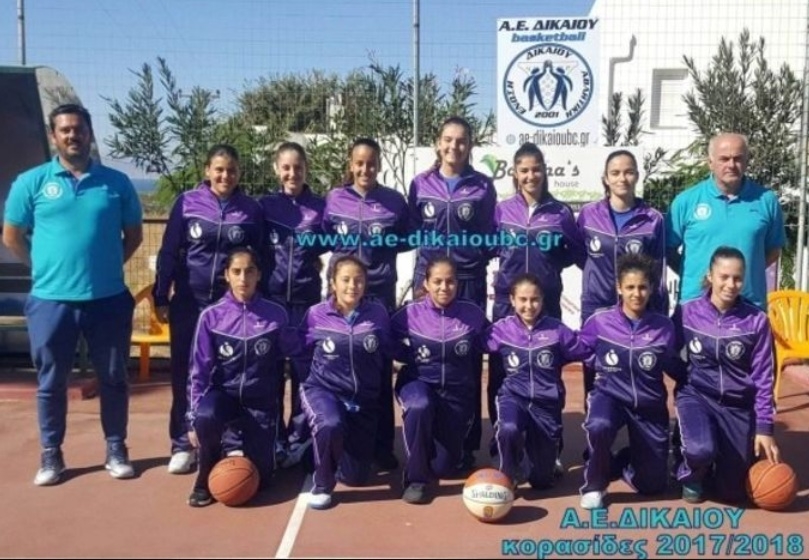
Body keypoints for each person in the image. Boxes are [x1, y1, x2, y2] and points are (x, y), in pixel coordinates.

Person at [2, 103, 143, 485]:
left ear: (89, 133)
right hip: (51, 302)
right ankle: (51, 455)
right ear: (54, 136)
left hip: (108, 299)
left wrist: (106, 267)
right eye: (64, 130)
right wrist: (43, 269)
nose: (72, 135)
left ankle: (116, 448)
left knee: (113, 378)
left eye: (78, 129)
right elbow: (12, 235)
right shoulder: (31, 182)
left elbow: (134, 236)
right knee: (51, 383)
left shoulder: (116, 183)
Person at [153, 144, 264, 475]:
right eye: (219, 169)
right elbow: (169, 251)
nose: (225, 176)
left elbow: (261, 258)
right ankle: (182, 444)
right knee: (185, 373)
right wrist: (161, 294)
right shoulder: (187, 203)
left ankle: (229, 441)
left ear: (239, 173)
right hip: (189, 302)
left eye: (231, 170)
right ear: (207, 171)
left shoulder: (251, 210)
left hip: (227, 307)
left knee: (228, 373)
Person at [408, 116, 497, 469]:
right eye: (448, 139)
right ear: (437, 142)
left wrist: (470, 259)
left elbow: (490, 236)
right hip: (429, 283)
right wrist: (421, 279)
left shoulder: (482, 186)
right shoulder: (420, 184)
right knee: (425, 356)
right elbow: (414, 232)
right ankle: (426, 430)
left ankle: (466, 441)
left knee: (467, 360)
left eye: (461, 141)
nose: (453, 146)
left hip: (468, 283)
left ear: (470, 146)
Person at [489, 142, 581, 459]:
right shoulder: (502, 210)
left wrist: (550, 267)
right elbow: (490, 246)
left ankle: (550, 444)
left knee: (547, 369)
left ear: (544, 171)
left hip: (546, 302)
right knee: (501, 371)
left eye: (536, 169)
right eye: (524, 170)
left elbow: (574, 252)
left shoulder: (560, 213)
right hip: (507, 302)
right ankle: (502, 439)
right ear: (515, 174)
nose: (531, 176)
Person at [323, 137, 410, 471]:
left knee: (379, 370)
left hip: (378, 297)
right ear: (351, 164)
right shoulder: (334, 199)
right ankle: (341, 439)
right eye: (359, 163)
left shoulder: (394, 202)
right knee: (341, 367)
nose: (365, 169)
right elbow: (324, 235)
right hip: (342, 298)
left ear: (379, 165)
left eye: (371, 163)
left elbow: (406, 238)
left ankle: (382, 445)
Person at [185, 247, 294, 506]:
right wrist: (192, 420)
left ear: (259, 275)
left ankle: (260, 455)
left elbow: (295, 350)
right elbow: (198, 371)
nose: (243, 278)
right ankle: (205, 476)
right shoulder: (210, 317)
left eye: (249, 271)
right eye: (236, 272)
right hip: (224, 395)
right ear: (226, 275)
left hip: (260, 400)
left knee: (262, 480)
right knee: (206, 417)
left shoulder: (276, 314)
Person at [672, 246, 780, 504]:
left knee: (732, 493)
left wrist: (764, 428)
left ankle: (718, 456)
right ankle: (691, 469)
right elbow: (666, 351)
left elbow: (764, 377)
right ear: (710, 276)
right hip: (698, 397)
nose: (731, 285)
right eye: (724, 277)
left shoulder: (756, 320)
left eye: (737, 278)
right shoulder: (687, 312)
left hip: (737, 405)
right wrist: (684, 379)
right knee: (701, 450)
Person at [577, 253, 685, 510]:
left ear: (651, 288)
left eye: (642, 287)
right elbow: (579, 349)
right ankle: (595, 485)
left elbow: (673, 365)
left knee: (652, 485)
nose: (636, 294)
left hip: (649, 404)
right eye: (630, 287)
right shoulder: (599, 321)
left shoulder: (664, 327)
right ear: (619, 288)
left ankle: (624, 460)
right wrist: (599, 365)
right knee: (599, 424)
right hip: (610, 397)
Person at [391, 257, 488, 504]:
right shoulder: (409, 313)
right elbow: (384, 338)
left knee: (443, 468)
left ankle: (432, 451)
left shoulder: (473, 314)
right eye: (437, 281)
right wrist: (408, 356)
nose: (444, 287)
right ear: (426, 283)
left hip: (456, 393)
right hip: (418, 383)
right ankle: (415, 479)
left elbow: (493, 340)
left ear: (457, 283)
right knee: (419, 406)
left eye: (450, 281)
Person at [299, 255, 392, 510]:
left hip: (362, 400)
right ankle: (321, 486)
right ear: (333, 283)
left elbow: (388, 348)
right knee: (330, 422)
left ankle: (314, 451)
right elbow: (300, 350)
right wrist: (312, 380)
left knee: (356, 478)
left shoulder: (377, 313)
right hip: (324, 391)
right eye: (346, 280)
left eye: (358, 280)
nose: (352, 286)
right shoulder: (316, 314)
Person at [576, 149, 667, 402]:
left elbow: (657, 268)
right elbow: (579, 253)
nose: (622, 179)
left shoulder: (653, 219)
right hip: (596, 302)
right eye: (615, 173)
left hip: (637, 305)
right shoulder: (588, 214)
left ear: (637, 176)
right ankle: (595, 419)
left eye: (628, 172)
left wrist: (658, 309)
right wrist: (597, 279)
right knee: (593, 364)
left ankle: (641, 418)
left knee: (640, 365)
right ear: (606, 178)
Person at [485, 274, 587, 490]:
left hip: (546, 402)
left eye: (534, 300)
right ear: (512, 300)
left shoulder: (557, 330)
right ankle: (507, 475)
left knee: (541, 481)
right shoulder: (501, 330)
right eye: (523, 300)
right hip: (513, 397)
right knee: (508, 428)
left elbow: (583, 349)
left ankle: (536, 457)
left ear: (542, 300)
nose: (529, 306)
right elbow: (472, 343)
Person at [260, 142, 327, 468]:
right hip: (270, 304)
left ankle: (299, 441)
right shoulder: (265, 207)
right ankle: (272, 439)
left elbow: (333, 243)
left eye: (298, 167)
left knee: (304, 375)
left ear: (306, 169)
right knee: (270, 374)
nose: (292, 173)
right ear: (276, 169)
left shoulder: (320, 208)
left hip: (305, 303)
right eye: (286, 167)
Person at [666, 132, 785, 310]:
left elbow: (774, 251)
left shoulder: (766, 201)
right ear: (710, 162)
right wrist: (698, 275)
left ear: (746, 162)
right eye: (724, 159)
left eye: (738, 158)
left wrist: (742, 275)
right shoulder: (686, 201)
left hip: (749, 307)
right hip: (695, 307)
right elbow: (668, 250)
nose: (731, 165)